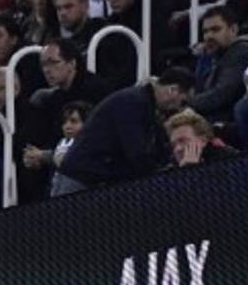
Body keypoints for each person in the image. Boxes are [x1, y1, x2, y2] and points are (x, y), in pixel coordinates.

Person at [54, 67, 194, 194]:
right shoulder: (133, 103)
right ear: (173, 90)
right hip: (80, 179)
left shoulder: (142, 104)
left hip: (89, 177)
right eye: (183, 102)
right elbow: (136, 153)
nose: (180, 110)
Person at [191, 5, 248, 122]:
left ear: (233, 29)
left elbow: (222, 95)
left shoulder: (240, 52)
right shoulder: (216, 55)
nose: (209, 36)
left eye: (216, 29)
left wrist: (186, 104)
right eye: (205, 32)